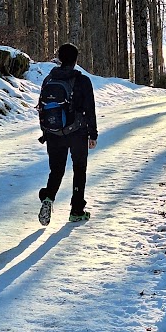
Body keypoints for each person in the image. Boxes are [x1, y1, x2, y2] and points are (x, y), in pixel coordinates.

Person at [38, 43, 97, 224]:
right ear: (76, 59)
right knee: (79, 169)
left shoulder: (49, 79)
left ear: (60, 58)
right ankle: (77, 211)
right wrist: (92, 134)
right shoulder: (82, 80)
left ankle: (48, 197)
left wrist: (46, 131)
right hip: (77, 132)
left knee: (56, 170)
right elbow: (90, 109)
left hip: (54, 132)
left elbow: (42, 107)